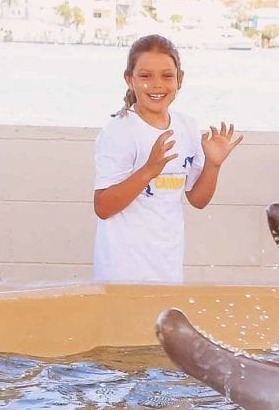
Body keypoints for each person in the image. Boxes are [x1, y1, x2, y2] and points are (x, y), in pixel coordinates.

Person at [92, 35, 243, 283]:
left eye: (167, 76)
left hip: (168, 268)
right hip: (122, 270)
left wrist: (213, 165)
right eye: (145, 76)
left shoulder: (187, 126)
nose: (157, 85)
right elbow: (103, 207)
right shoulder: (119, 131)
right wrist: (148, 171)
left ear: (180, 80)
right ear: (129, 79)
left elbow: (198, 199)